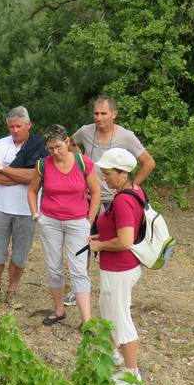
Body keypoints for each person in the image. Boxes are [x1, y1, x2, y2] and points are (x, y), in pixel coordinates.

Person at [68, 95, 156, 307]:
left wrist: (132, 187)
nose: (99, 118)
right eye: (96, 113)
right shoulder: (85, 131)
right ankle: (80, 288)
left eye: (104, 113)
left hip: (114, 201)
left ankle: (121, 289)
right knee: (84, 243)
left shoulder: (126, 136)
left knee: (121, 243)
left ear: (114, 114)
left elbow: (148, 162)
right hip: (89, 199)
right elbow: (70, 144)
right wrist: (82, 162)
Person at [26, 125, 100, 326]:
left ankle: (87, 320)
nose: (55, 152)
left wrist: (89, 219)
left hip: (77, 221)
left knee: (78, 268)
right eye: (50, 148)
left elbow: (95, 192)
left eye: (58, 147)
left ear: (67, 141)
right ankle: (59, 310)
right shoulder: (43, 165)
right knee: (54, 267)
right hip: (50, 221)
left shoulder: (82, 162)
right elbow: (32, 190)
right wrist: (36, 215)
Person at [87, 148, 145, 385]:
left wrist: (99, 244)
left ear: (123, 173)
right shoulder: (135, 192)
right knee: (108, 311)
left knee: (120, 318)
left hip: (119, 268)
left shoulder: (122, 201)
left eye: (108, 173)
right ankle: (115, 356)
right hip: (122, 266)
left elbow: (125, 240)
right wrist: (101, 236)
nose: (103, 177)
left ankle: (132, 374)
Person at [0, 106, 48, 308]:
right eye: (11, 126)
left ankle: (12, 289)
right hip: (1, 208)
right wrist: (24, 175)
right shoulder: (0, 144)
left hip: (27, 209)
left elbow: (35, 176)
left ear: (29, 125)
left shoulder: (40, 145)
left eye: (19, 126)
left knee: (20, 253)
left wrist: (3, 169)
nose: (15, 130)